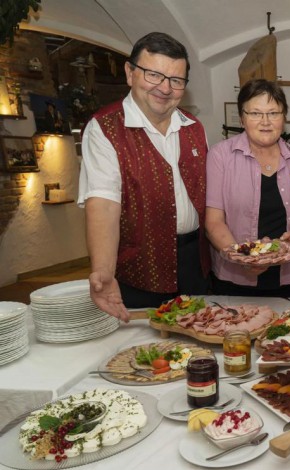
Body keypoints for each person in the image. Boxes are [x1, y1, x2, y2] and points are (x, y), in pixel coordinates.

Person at [77, 32, 209, 322]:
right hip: (139, 270)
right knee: (146, 356)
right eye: (154, 75)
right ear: (130, 73)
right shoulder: (105, 129)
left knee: (201, 351)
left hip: (195, 264)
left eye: (176, 80)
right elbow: (104, 203)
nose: (165, 88)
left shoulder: (195, 127)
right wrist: (102, 271)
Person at [205, 79, 290, 298]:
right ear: (242, 119)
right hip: (235, 278)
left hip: (288, 276)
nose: (265, 121)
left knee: (285, 330)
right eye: (255, 113)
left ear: (284, 118)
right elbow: (213, 222)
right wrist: (244, 258)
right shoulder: (220, 156)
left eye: (273, 113)